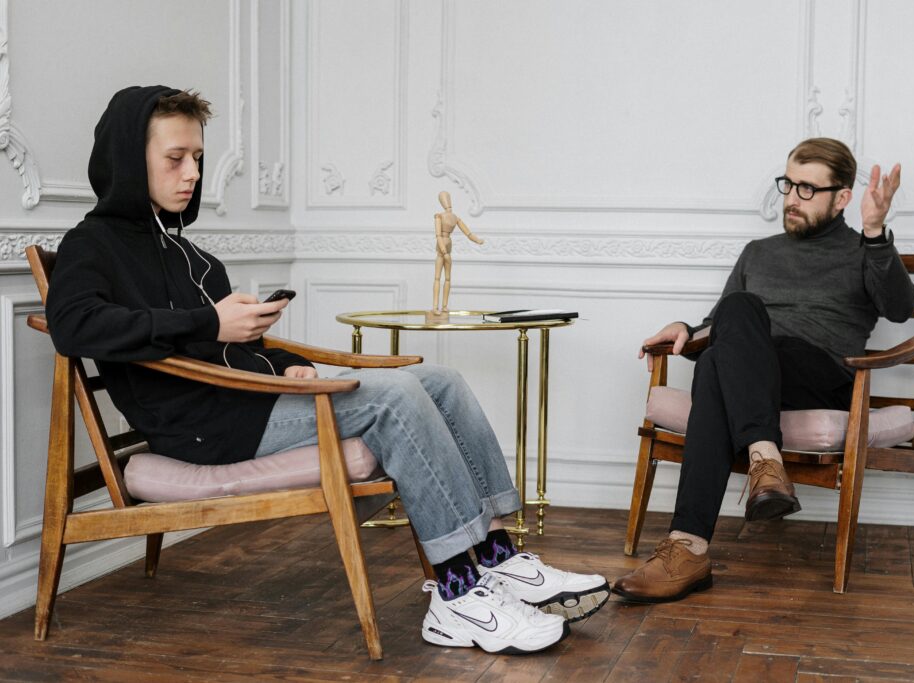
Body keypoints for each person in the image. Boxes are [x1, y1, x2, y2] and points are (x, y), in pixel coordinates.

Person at [45, 85, 608, 654]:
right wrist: (209, 324)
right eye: (175, 158)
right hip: (206, 428)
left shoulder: (190, 255)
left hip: (247, 399)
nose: (192, 172)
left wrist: (291, 365)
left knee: (442, 381)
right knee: (393, 396)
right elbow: (74, 326)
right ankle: (457, 596)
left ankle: (496, 556)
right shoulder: (91, 245)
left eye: (197, 157)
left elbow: (241, 350)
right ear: (126, 158)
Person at [612, 138, 914, 603]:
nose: (792, 198)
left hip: (821, 377)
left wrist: (875, 232)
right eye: (789, 184)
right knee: (727, 329)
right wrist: (687, 329)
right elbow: (723, 329)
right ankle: (752, 475)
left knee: (728, 339)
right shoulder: (758, 252)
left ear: (842, 198)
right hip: (753, 376)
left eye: (808, 189)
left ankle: (689, 545)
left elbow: (900, 308)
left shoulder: (862, 252)